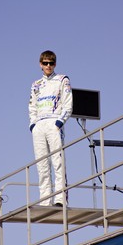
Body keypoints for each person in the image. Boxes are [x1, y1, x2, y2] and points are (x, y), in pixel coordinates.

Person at [29, 50, 72, 206]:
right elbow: (32, 106)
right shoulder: (36, 84)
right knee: (41, 163)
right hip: (39, 125)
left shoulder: (62, 80)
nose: (48, 66)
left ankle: (60, 199)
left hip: (54, 122)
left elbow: (68, 105)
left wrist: (59, 123)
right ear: (40, 64)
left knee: (58, 162)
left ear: (55, 64)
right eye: (45, 63)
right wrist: (33, 125)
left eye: (51, 63)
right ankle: (45, 200)